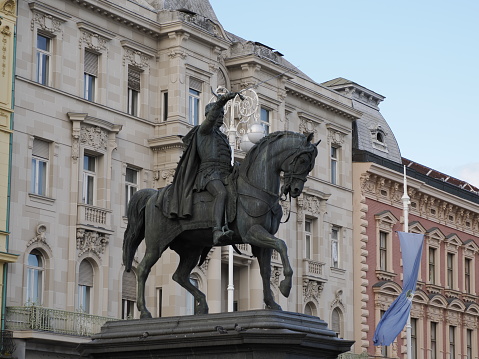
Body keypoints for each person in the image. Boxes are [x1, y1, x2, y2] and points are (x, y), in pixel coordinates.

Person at [167, 91, 240, 245]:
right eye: (218, 114)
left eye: (222, 115)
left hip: (224, 174)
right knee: (221, 193)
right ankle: (216, 231)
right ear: (209, 115)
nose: (221, 117)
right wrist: (222, 101)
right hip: (209, 174)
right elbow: (211, 119)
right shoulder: (204, 131)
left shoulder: (223, 137)